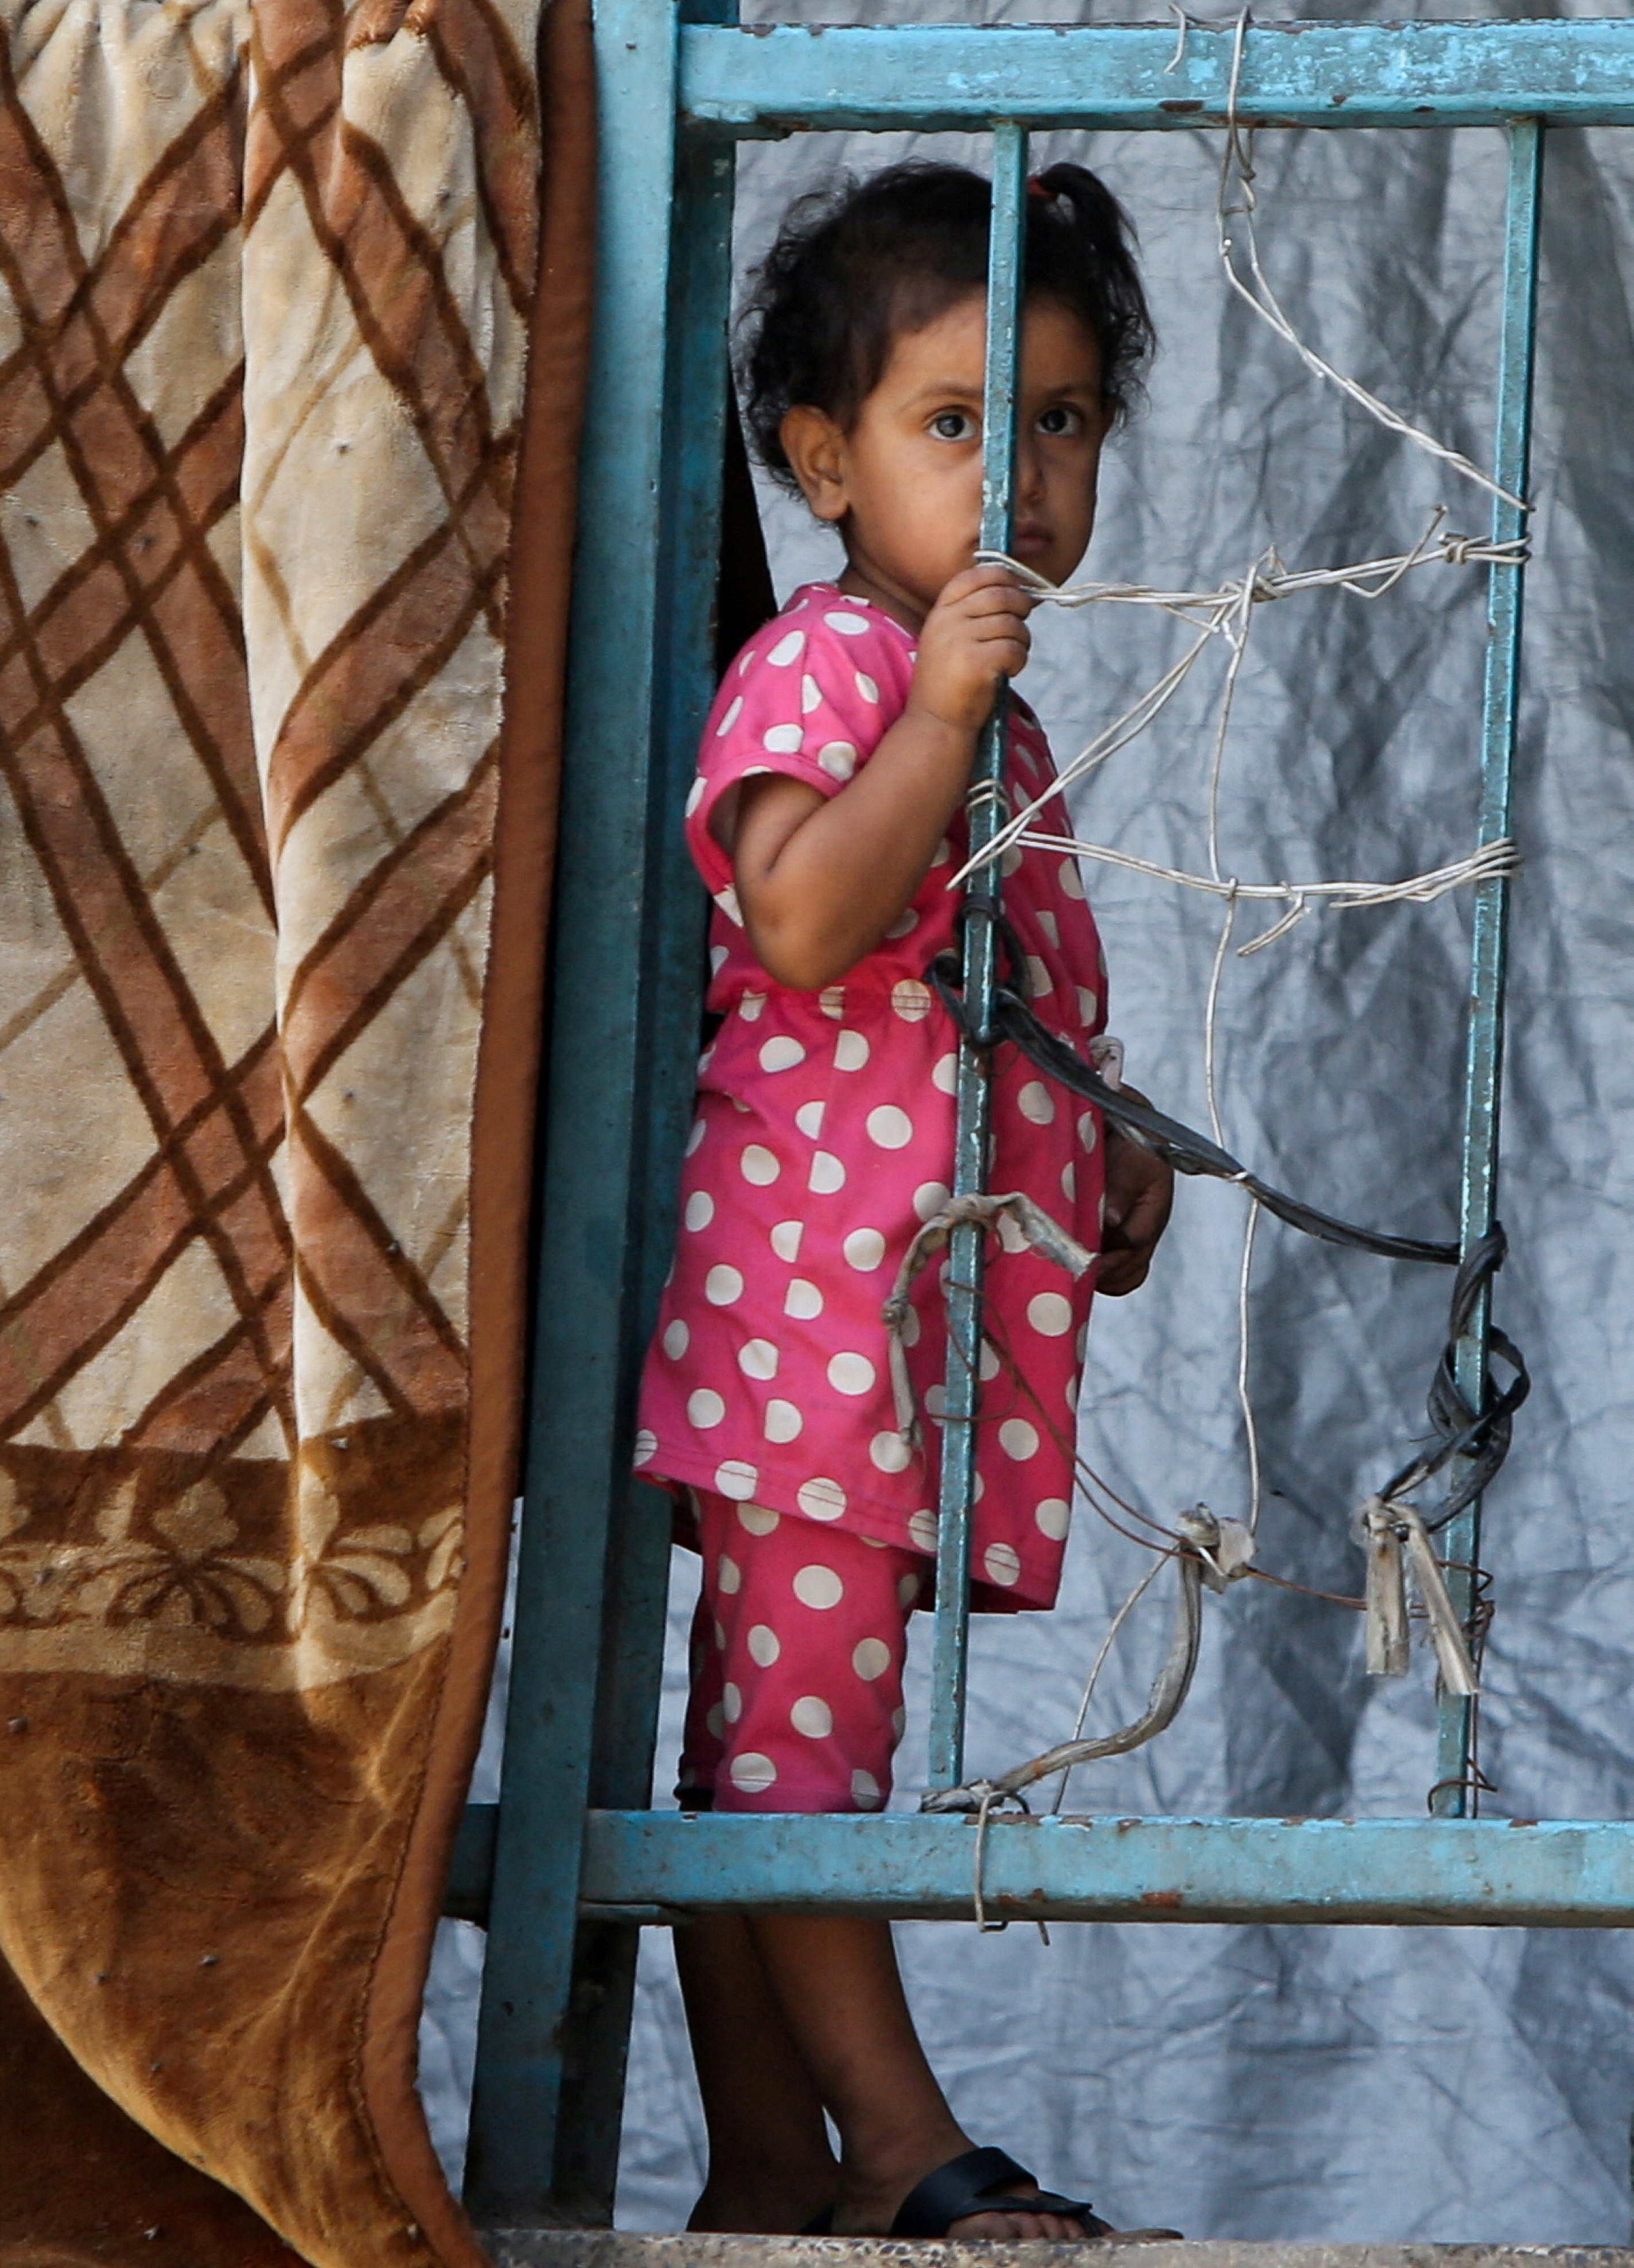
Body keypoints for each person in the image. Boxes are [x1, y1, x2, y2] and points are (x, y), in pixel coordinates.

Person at [629, 160, 1178, 2241]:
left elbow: (996, 989)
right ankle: (895, 2149)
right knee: (797, 1747)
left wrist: (1103, 1136)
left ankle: (767, 2165)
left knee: (778, 1741)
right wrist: (934, 711)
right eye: (953, 422)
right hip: (809, 1306)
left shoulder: (987, 706)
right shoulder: (834, 667)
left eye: (1056, 420)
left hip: (895, 1309)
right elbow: (795, 919)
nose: (1017, 472)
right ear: (819, 460)